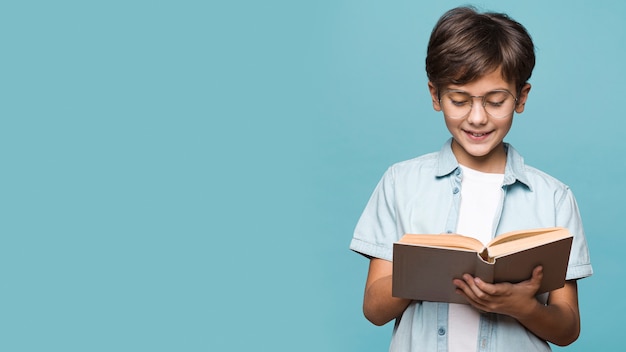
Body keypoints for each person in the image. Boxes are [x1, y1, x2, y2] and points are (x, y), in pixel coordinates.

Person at [349, 6, 593, 352]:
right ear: (435, 96)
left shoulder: (553, 197)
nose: (477, 118)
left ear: (521, 97)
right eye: (459, 100)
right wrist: (424, 272)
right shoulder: (400, 183)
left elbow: (568, 328)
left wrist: (522, 307)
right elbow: (374, 309)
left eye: (495, 101)